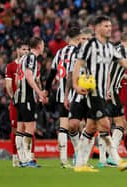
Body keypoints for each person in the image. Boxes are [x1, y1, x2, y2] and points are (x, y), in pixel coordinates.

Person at [73, 15, 127, 172]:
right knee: (107, 124)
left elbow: (124, 66)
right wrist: (76, 84)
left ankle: (81, 162)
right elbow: (79, 64)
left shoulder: (111, 48)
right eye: (106, 26)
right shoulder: (91, 45)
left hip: (107, 91)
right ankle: (114, 159)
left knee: (92, 127)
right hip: (96, 90)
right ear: (97, 28)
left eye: (110, 26)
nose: (109, 29)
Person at [45, 26, 83, 168]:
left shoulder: (60, 52)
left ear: (68, 38)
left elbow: (52, 74)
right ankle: (79, 155)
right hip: (76, 93)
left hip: (61, 93)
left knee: (63, 127)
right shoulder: (79, 52)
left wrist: (46, 91)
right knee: (80, 125)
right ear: (79, 39)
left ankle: (63, 159)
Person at [100, 31, 127, 168]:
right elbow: (109, 71)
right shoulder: (122, 51)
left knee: (106, 124)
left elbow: (118, 72)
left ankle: (103, 159)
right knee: (121, 124)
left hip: (111, 90)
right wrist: (107, 89)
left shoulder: (118, 50)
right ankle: (111, 156)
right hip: (111, 91)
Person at [14, 36, 47, 167]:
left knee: (20, 128)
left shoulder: (22, 58)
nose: (44, 47)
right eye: (43, 45)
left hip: (20, 96)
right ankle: (27, 159)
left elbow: (17, 79)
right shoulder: (32, 58)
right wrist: (39, 93)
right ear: (39, 46)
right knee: (30, 128)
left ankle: (22, 158)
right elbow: (28, 76)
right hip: (27, 97)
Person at [67, 27, 93, 166]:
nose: (86, 41)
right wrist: (66, 96)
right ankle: (78, 152)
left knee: (91, 127)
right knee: (73, 125)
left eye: (89, 39)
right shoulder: (74, 55)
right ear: (79, 40)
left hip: (92, 95)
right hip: (77, 94)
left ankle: (83, 158)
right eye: (84, 39)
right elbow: (70, 76)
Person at [5, 41, 29, 167]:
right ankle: (15, 157)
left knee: (27, 129)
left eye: (27, 49)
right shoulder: (11, 66)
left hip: (27, 102)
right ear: (17, 50)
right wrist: (13, 98)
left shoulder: (30, 66)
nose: (25, 51)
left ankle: (25, 156)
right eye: (23, 49)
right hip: (16, 103)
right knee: (15, 129)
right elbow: (8, 86)